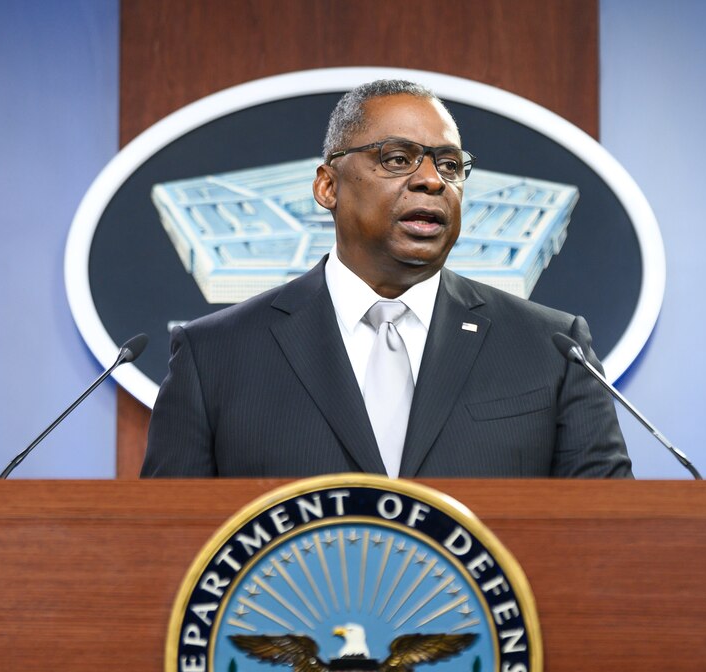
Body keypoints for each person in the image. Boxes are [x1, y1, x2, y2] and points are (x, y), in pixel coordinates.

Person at [141, 79, 632, 479]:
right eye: (397, 159)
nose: (432, 180)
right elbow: (168, 547)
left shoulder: (552, 349)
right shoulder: (214, 357)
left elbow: (609, 538)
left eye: (449, 165)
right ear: (327, 186)